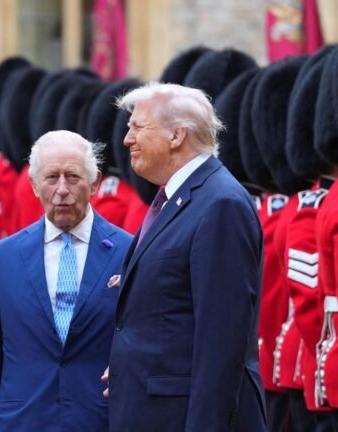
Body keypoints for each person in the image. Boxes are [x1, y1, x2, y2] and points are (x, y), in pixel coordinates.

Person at [107, 83, 265, 431]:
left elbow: (221, 342)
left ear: (177, 135)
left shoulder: (219, 204)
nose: (126, 140)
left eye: (137, 127)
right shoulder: (177, 199)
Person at [0, 130, 132, 432]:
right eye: (51, 177)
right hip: (22, 420)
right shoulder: (3, 257)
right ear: (33, 184)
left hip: (100, 420)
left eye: (72, 177)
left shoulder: (130, 253)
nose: (61, 189)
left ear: (95, 182)